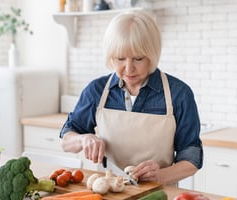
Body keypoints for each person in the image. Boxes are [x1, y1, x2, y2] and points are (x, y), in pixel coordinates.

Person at [59, 10, 203, 185]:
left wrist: (161, 176)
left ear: (152, 55)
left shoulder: (178, 94)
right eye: (120, 58)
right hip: (108, 193)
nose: (128, 69)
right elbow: (66, 140)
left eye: (138, 58)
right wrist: (83, 139)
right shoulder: (96, 91)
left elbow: (192, 158)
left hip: (158, 193)